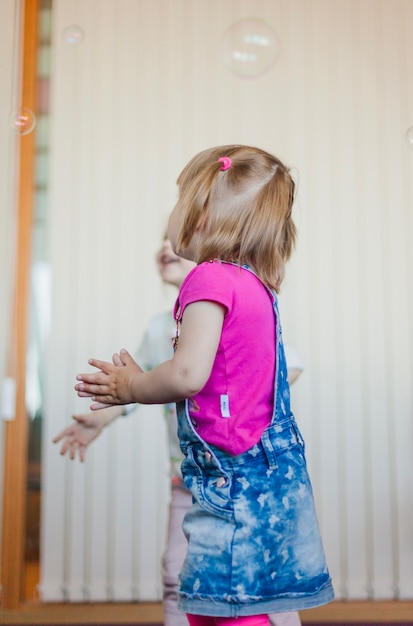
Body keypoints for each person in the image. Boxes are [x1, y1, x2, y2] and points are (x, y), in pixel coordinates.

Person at [71, 145, 334, 626]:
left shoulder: (207, 280)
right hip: (266, 471)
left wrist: (132, 385)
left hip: (229, 476)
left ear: (203, 215)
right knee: (255, 593)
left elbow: (188, 374)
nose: (170, 220)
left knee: (224, 601)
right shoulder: (255, 285)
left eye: (176, 201)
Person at [54, 236, 304, 626]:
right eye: (161, 241)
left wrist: (224, 386)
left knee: (258, 574)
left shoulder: (236, 305)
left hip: (236, 476)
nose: (165, 246)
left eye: (174, 239)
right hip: (187, 475)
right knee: (176, 569)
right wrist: (102, 418)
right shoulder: (159, 327)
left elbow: (290, 367)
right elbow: (142, 384)